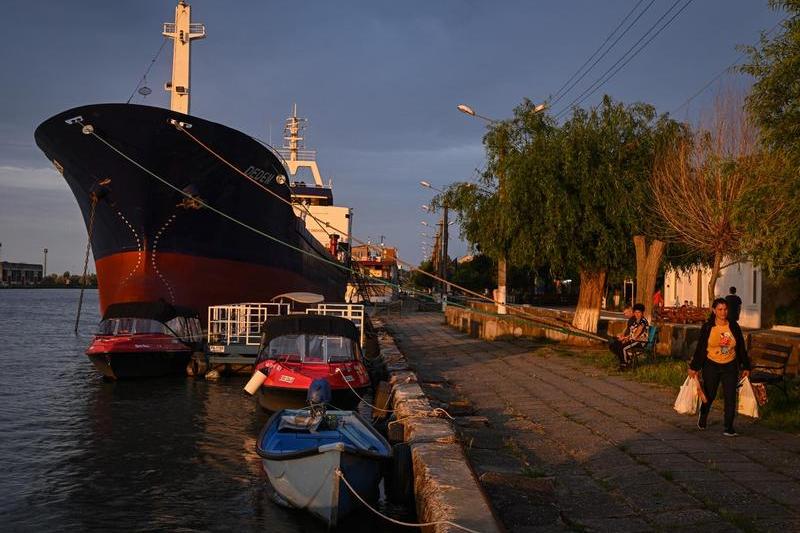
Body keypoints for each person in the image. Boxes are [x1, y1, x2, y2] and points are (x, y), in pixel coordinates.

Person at [688, 298, 750, 436]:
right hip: (712, 365)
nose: (723, 312)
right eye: (720, 309)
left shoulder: (733, 326)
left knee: (730, 397)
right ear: (714, 310)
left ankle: (729, 427)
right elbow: (701, 348)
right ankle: (703, 416)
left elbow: (741, 348)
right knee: (710, 395)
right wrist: (694, 367)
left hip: (730, 366)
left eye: (725, 309)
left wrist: (746, 366)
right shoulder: (708, 327)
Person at [610, 304, 649, 370]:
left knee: (623, 348)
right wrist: (624, 337)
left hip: (640, 342)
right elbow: (631, 333)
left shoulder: (643, 321)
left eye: (639, 312)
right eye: (635, 312)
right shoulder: (635, 322)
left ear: (642, 313)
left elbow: (636, 334)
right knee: (616, 345)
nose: (637, 314)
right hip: (633, 340)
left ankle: (625, 365)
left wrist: (626, 338)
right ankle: (626, 360)